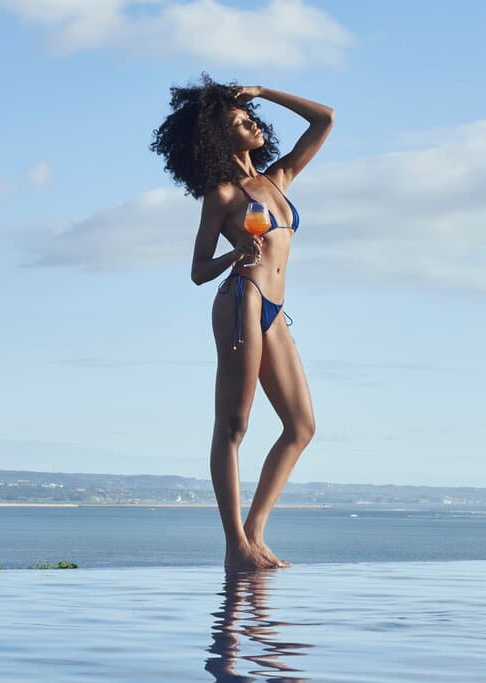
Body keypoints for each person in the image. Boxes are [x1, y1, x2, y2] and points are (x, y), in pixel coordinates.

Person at [151, 75, 333, 569]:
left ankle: (255, 532)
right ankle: (235, 545)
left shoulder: (278, 179)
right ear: (218, 137)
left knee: (301, 426)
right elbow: (196, 271)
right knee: (233, 426)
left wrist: (264, 92)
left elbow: (325, 119)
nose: (251, 123)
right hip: (242, 299)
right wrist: (236, 252)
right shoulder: (223, 196)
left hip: (275, 309)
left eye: (252, 118)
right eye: (238, 121)